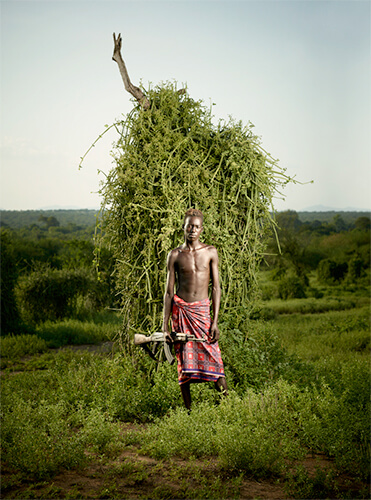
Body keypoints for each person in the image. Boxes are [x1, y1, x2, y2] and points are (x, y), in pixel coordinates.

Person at [162, 208, 228, 410]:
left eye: (197, 227)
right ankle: (189, 411)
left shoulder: (210, 252)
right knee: (184, 362)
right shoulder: (174, 255)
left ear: (201, 230)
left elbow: (216, 287)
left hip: (202, 313)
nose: (193, 230)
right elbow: (168, 292)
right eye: (189, 225)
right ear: (183, 227)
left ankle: (229, 406)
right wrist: (164, 325)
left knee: (215, 360)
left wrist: (215, 321)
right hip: (181, 312)